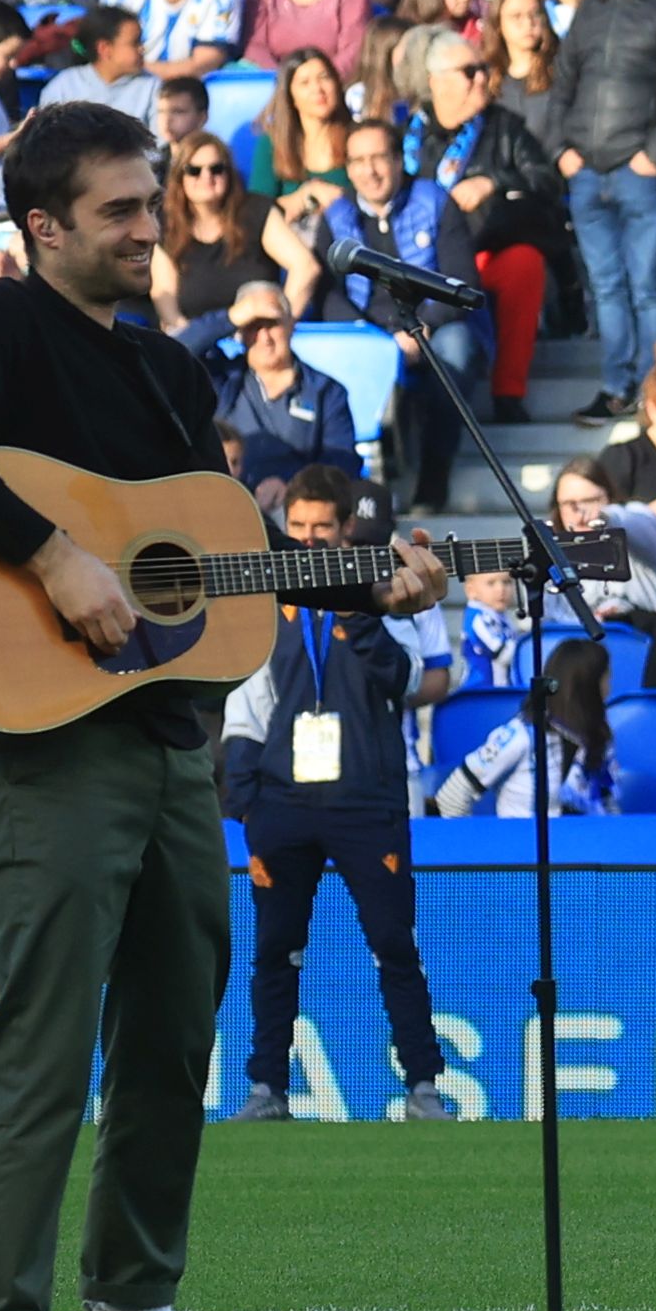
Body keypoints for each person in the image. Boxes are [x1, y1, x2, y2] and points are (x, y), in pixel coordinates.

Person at [0, 105, 440, 1311]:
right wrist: (53, 553)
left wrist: (374, 584)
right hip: (42, 744)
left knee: (176, 1029)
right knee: (44, 1034)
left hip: (170, 744)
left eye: (154, 204)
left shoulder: (172, 373)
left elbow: (216, 574)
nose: (153, 228)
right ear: (44, 227)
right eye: (123, 210)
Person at [228, 462, 466, 1123]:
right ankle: (266, 1089)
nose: (306, 541)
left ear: (345, 530)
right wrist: (245, 794)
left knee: (394, 942)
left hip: (368, 797)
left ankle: (423, 1085)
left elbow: (410, 677)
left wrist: (357, 614)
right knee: (275, 949)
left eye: (320, 528)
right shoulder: (265, 596)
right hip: (282, 802)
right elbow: (247, 699)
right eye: (296, 527)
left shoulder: (386, 594)